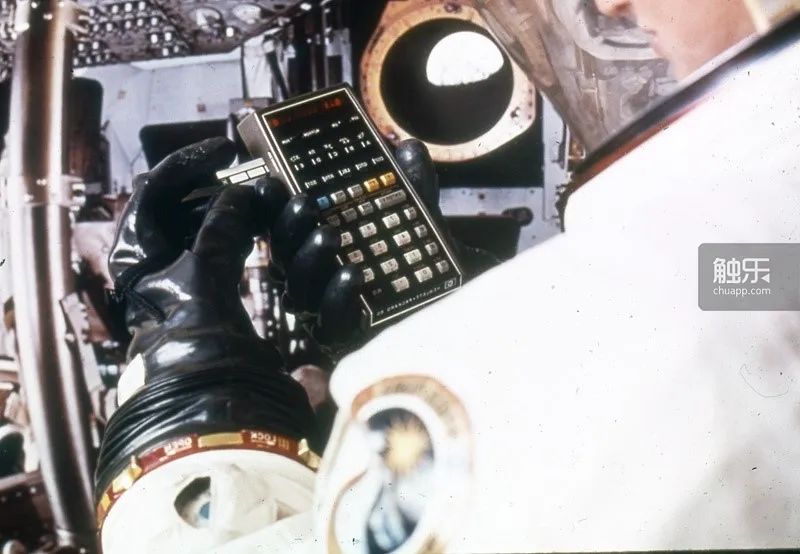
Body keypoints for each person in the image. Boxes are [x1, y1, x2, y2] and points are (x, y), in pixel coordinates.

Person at [95, 0, 800, 552]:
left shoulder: (470, 387)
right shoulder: (750, 243)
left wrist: (186, 398)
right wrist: (513, 323)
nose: (613, 5)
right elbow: (752, 282)